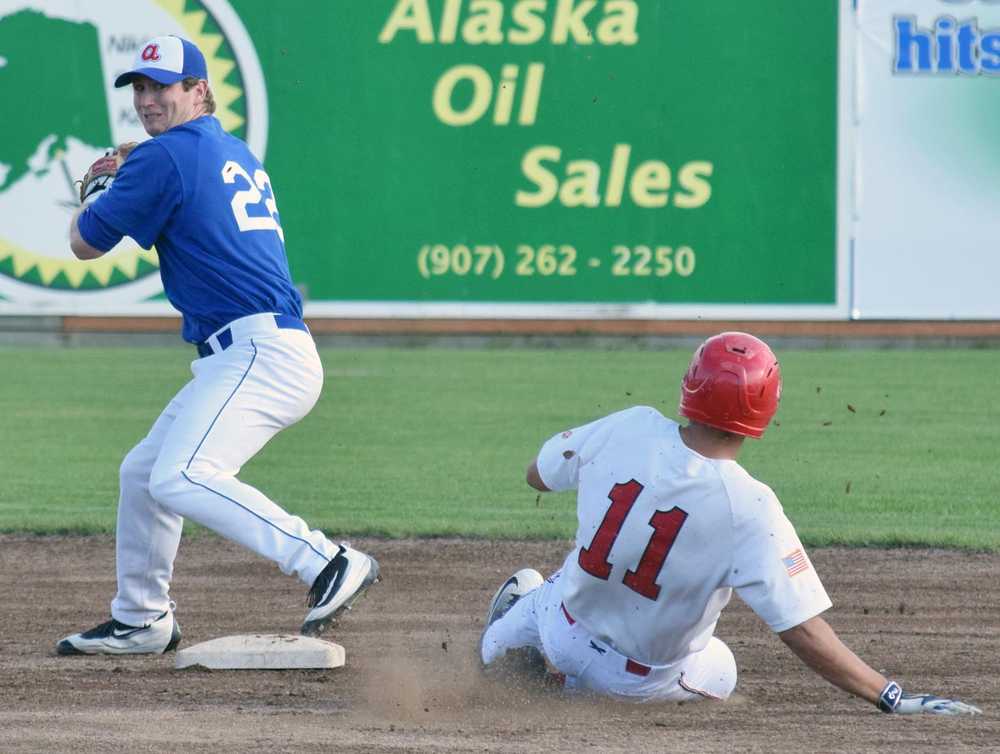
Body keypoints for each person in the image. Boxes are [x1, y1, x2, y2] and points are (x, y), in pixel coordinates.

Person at [58, 35, 379, 655]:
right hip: (252, 352)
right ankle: (141, 619)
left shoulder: (167, 155)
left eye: (163, 86)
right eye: (140, 88)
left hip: (260, 352)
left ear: (198, 90)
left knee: (182, 474)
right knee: (144, 473)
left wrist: (94, 197)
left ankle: (326, 561)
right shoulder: (229, 150)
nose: (148, 100)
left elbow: (84, 245)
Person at [481, 332, 980, 715]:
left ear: (690, 386)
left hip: (559, 625)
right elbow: (802, 630)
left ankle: (510, 639)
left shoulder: (629, 425)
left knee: (540, 586)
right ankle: (565, 688)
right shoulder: (750, 505)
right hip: (634, 683)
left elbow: (537, 475)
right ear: (766, 408)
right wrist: (890, 695)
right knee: (723, 667)